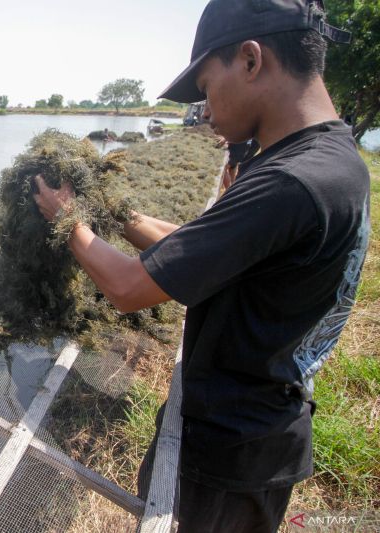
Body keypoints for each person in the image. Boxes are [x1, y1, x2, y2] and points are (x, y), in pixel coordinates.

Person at [33, 1, 369, 531]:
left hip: (232, 455)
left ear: (252, 60)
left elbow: (127, 287)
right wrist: (120, 214)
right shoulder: (321, 159)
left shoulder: (293, 181)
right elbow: (198, 247)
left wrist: (67, 219)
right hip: (253, 427)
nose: (205, 111)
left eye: (208, 87)